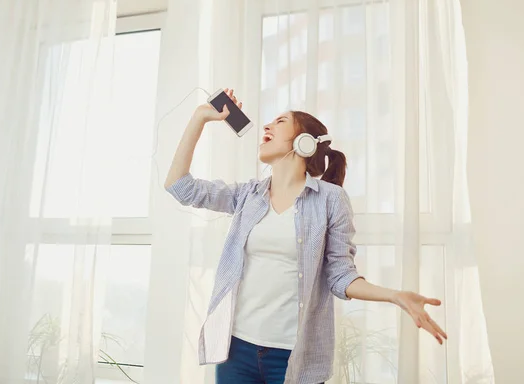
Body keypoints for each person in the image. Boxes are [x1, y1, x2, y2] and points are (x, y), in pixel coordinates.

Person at [164, 89, 447, 384]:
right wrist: (200, 118)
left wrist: (394, 296)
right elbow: (179, 186)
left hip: (292, 357)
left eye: (280, 121)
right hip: (236, 350)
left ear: (304, 142)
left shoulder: (331, 200)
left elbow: (340, 276)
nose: (267, 127)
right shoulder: (247, 195)